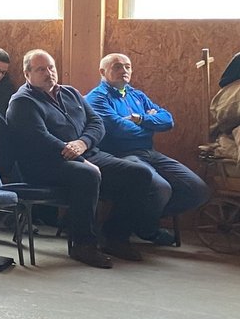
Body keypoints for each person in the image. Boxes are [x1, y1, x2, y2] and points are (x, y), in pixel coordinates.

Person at [7, 50, 166, 267]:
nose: (48, 73)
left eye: (51, 68)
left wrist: (83, 143)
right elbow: (39, 138)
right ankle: (83, 245)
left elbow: (96, 123)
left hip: (87, 153)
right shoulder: (22, 102)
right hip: (45, 164)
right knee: (87, 174)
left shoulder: (70, 92)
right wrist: (80, 159)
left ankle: (115, 237)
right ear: (27, 74)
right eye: (41, 69)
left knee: (140, 174)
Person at [86, 53, 209, 239]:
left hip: (149, 152)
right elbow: (121, 130)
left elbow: (168, 120)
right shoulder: (97, 98)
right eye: (117, 67)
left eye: (127, 67)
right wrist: (151, 126)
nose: (124, 70)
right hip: (120, 155)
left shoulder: (136, 95)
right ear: (102, 72)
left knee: (198, 190)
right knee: (161, 188)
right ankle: (147, 229)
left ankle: (141, 222)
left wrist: (140, 119)